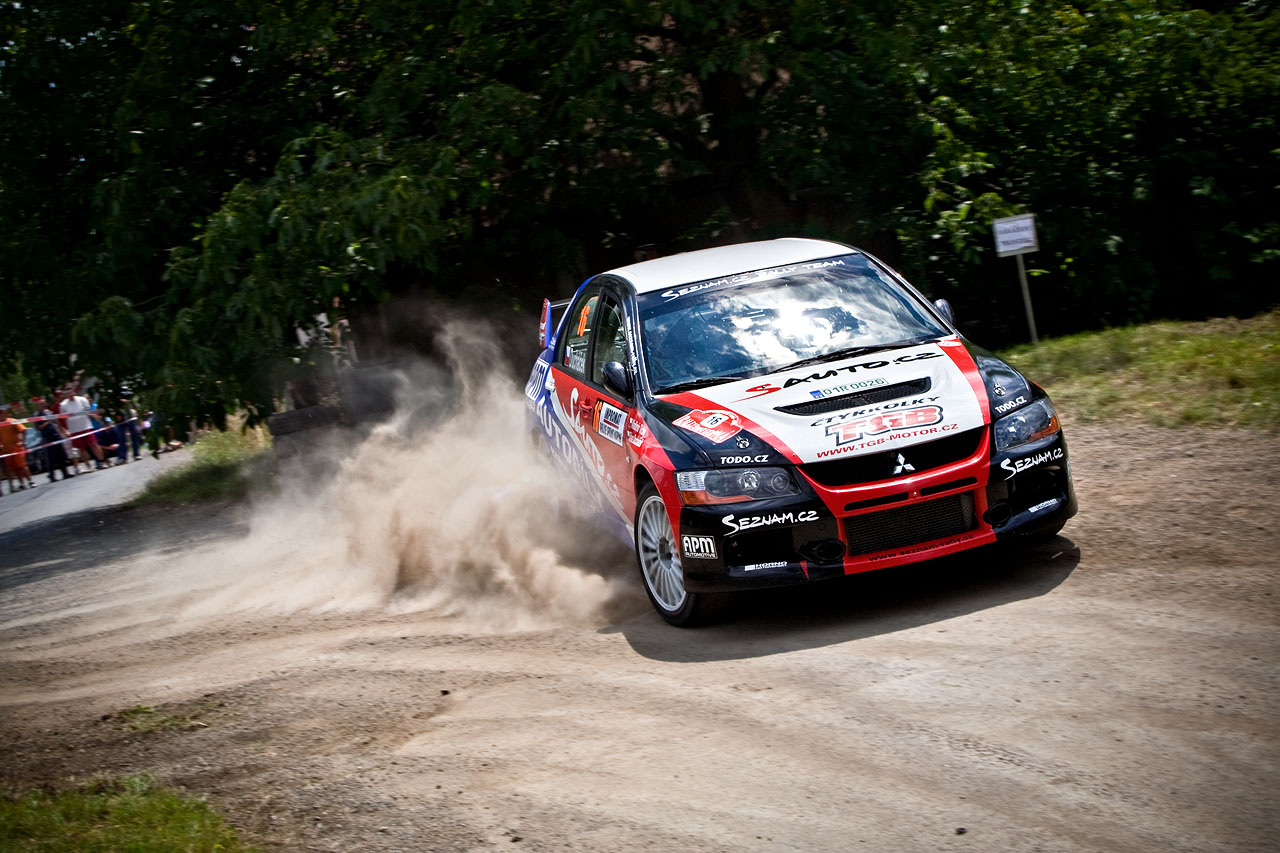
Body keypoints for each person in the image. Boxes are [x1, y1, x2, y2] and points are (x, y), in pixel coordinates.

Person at [58, 390, 106, 471]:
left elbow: (89, 411)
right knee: (81, 448)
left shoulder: (82, 400)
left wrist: (95, 415)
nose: (70, 395)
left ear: (74, 392)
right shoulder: (63, 405)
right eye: (68, 393)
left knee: (94, 444)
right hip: (74, 430)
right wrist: (65, 430)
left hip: (86, 427)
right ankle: (88, 466)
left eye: (71, 392)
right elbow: (61, 419)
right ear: (66, 395)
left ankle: (101, 462)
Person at [0, 415, 36, 494]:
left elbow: (23, 430)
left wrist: (22, 441)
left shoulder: (11, 420)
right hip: (6, 451)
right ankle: (22, 483)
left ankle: (31, 481)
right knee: (14, 468)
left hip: (16, 448)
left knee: (22, 466)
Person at [38, 409, 73, 482]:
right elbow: (38, 428)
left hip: (56, 435)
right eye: (41, 405)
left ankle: (65, 473)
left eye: (43, 404)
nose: (43, 406)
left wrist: (62, 430)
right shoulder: (37, 416)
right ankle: (52, 476)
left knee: (61, 455)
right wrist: (48, 421)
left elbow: (56, 421)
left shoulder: (49, 413)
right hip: (47, 438)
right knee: (50, 458)